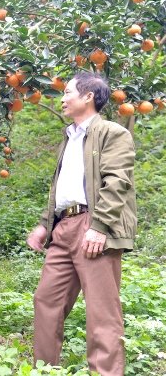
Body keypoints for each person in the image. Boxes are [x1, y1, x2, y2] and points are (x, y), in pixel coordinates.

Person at [26, 72, 137, 376]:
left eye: (69, 92)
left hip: (94, 222)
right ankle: (45, 371)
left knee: (102, 312)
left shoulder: (112, 133)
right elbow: (62, 187)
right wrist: (45, 225)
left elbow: (117, 183)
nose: (62, 98)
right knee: (46, 302)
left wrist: (99, 227)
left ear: (88, 96)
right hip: (64, 226)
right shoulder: (69, 136)